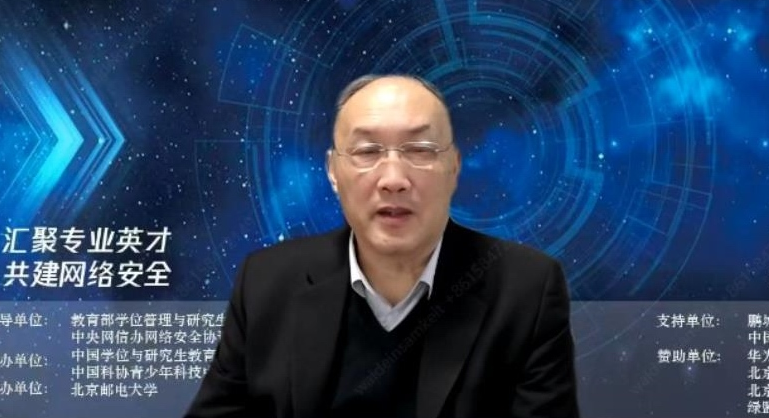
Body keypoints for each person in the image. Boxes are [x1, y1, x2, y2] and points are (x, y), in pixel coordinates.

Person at [184, 74, 580, 418]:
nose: (393, 179)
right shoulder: (267, 282)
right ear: (333, 171)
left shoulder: (527, 290)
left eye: (420, 150)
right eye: (367, 152)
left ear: (454, 167)